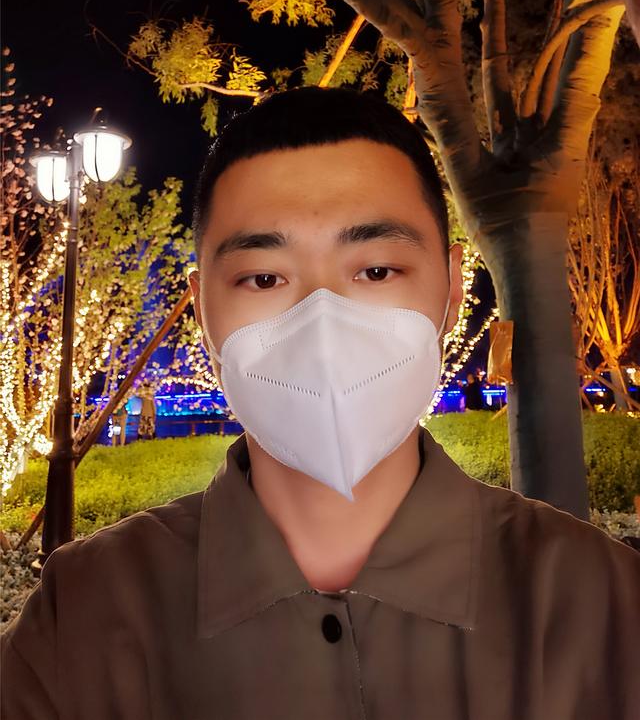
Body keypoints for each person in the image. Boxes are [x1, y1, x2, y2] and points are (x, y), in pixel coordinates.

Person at [2, 87, 638, 720]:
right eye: (264, 278)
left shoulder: (604, 604)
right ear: (203, 312)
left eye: (376, 271)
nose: (323, 326)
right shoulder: (82, 617)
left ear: (451, 291)